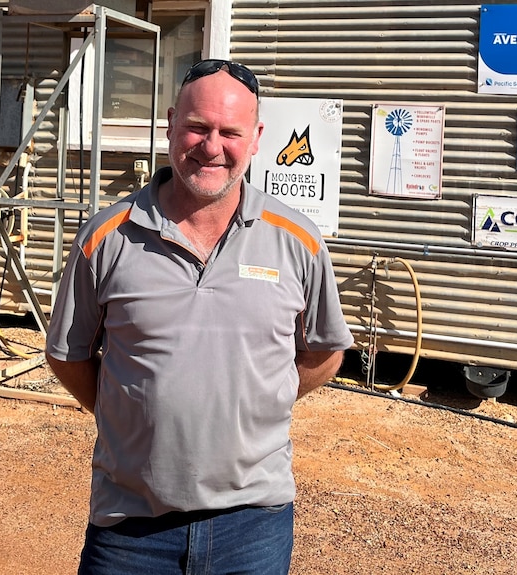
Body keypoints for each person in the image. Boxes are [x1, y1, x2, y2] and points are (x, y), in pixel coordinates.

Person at [46, 59, 354, 575]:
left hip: (252, 526)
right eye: (197, 127)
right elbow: (68, 355)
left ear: (256, 139)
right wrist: (130, 414)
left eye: (230, 132)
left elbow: (325, 350)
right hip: (130, 527)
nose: (212, 147)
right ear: (170, 123)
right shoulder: (106, 239)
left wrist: (264, 394)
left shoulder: (297, 241)